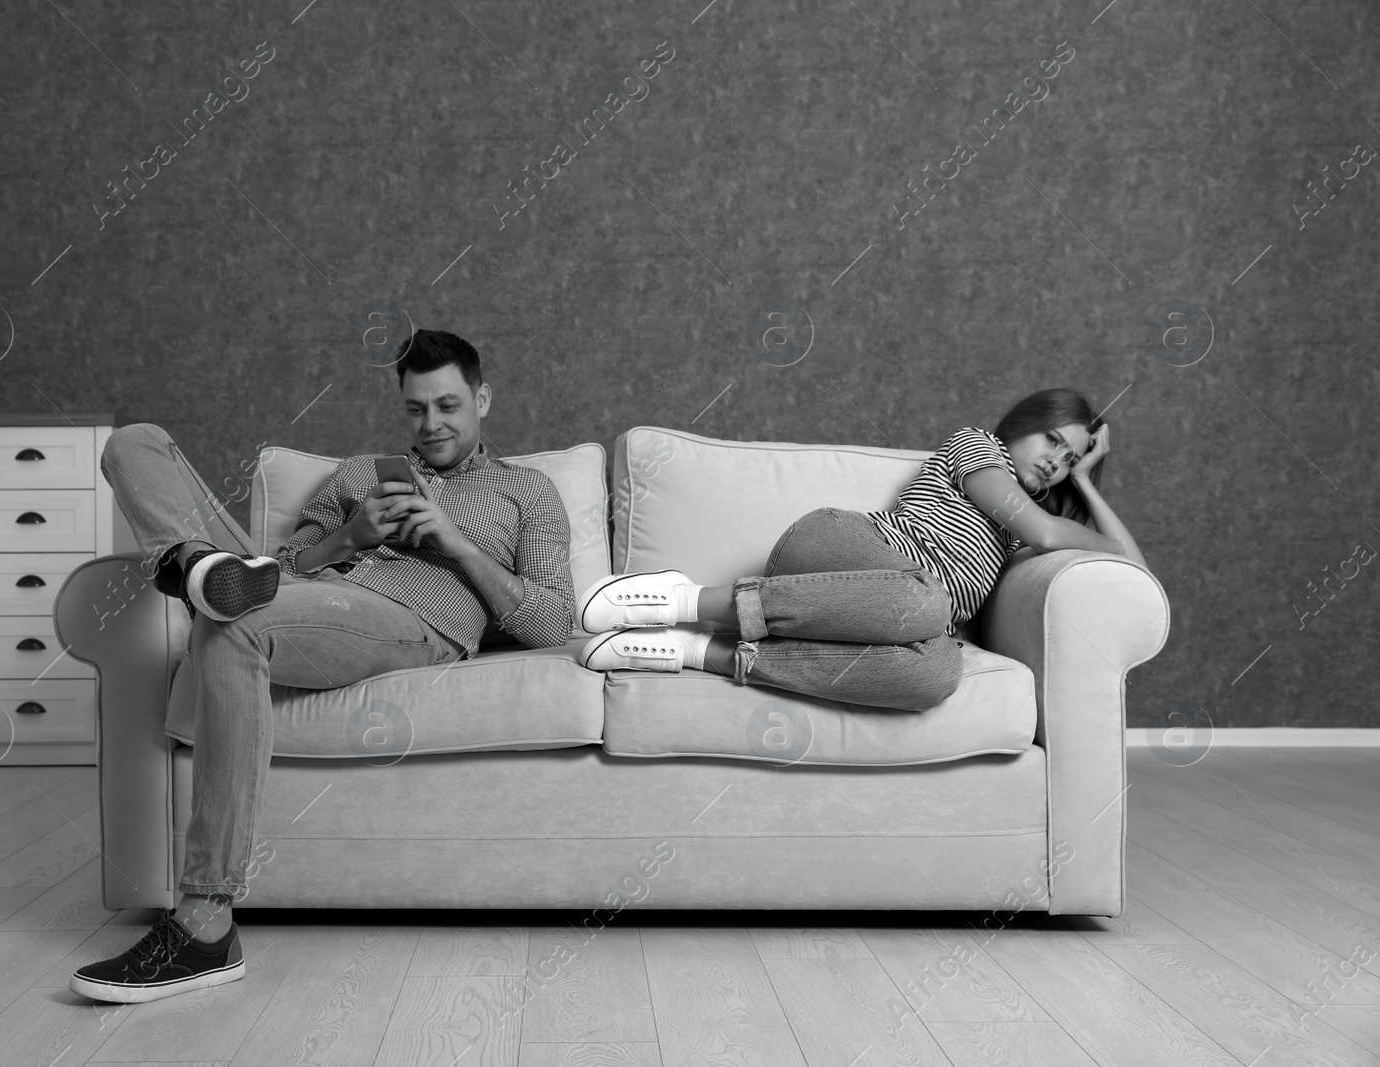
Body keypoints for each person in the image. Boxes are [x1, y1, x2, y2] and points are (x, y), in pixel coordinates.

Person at [69, 330, 575, 1003]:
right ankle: (197, 565)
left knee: (234, 622)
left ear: (482, 397)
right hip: (292, 590)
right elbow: (275, 572)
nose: (432, 425)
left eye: (448, 406)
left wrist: (455, 545)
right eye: (416, 410)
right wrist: (350, 536)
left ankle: (204, 919)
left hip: (404, 617)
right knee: (135, 443)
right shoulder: (361, 471)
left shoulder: (527, 491)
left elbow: (552, 625)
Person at [577, 388, 1147, 710]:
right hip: (841, 548)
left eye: (1070, 459)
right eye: (1052, 441)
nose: (1056, 461)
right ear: (1021, 426)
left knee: (936, 677)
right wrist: (1066, 499)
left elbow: (1132, 568)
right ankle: (683, 599)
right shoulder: (980, 450)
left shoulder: (1023, 528)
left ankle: (698, 651)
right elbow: (1049, 534)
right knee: (927, 603)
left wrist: (1087, 484)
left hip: (888, 615)